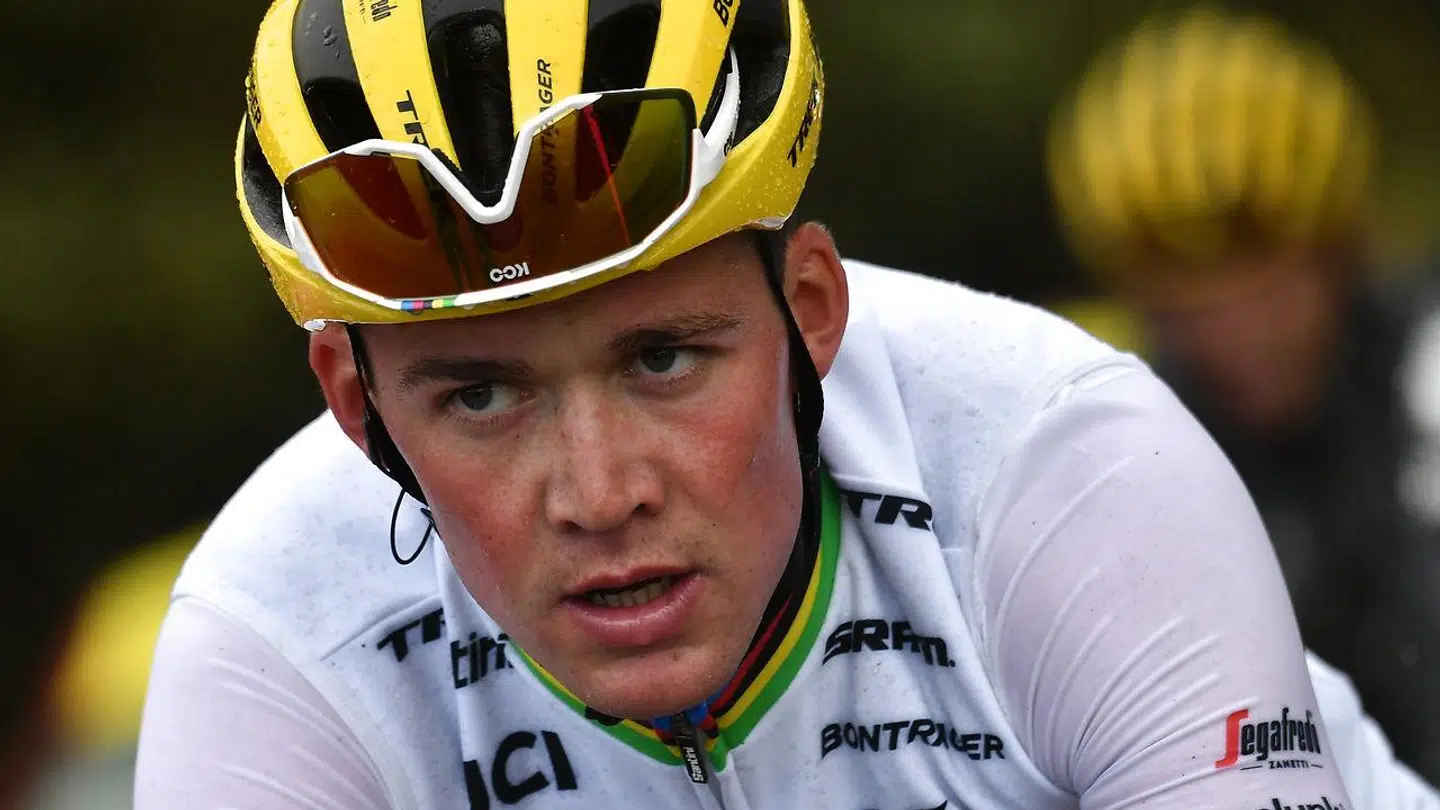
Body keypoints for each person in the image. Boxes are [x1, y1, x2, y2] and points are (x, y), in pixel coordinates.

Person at [134, 1, 1437, 807]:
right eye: (479, 395)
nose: (601, 493)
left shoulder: (1061, 465)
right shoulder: (277, 635)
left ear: (811, 309)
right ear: (358, 408)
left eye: (663, 361)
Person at [1048, 7, 1440, 780]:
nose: (1237, 335)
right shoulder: (1096, 413)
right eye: (1186, 310)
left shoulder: (1425, 365)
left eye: (1269, 288)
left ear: (1339, 252)